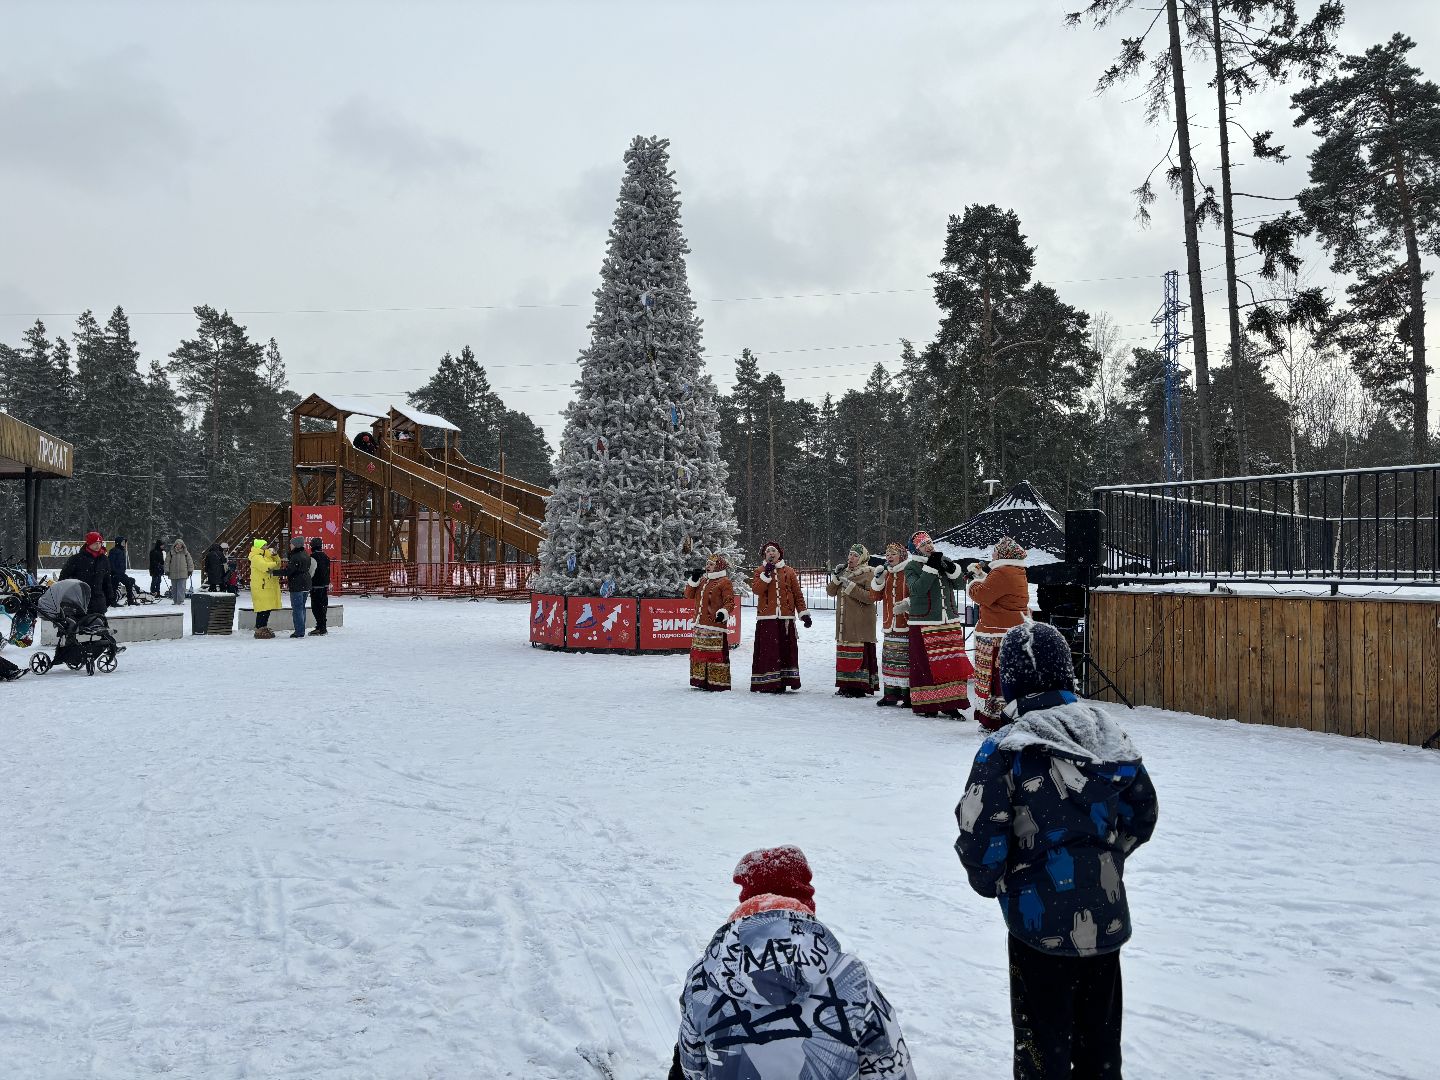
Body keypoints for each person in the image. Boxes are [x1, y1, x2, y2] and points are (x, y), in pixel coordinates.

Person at [955, 622, 1159, 1080]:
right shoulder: (1109, 735)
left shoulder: (1006, 748)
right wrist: (1109, 858)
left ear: (1009, 681)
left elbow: (980, 832)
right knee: (1100, 1048)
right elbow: (1142, 811)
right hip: (1105, 918)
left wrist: (994, 880)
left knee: (1042, 1052)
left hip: (1037, 926)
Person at [671, 845, 916, 1080]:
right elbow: (890, 1068)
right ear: (805, 907)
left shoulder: (703, 976)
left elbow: (692, 1068)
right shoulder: (851, 974)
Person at [901, 530, 973, 720]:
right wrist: (930, 568)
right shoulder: (911, 567)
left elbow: (959, 585)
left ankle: (952, 704)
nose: (929, 546)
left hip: (948, 620)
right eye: (924, 544)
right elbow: (917, 589)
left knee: (951, 664)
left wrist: (951, 568)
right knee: (926, 665)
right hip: (924, 622)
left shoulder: (942, 560)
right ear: (916, 549)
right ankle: (928, 704)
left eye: (930, 542)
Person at [968, 536, 1032, 730]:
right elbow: (997, 592)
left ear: (1003, 554)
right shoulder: (1017, 570)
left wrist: (974, 580)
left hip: (997, 632)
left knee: (995, 678)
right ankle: (1011, 714)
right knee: (1008, 675)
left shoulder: (1002, 571)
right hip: (1013, 629)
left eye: (995, 551)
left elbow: (982, 596)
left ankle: (995, 718)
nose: (992, 555)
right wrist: (984, 577)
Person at [749, 540, 810, 693]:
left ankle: (784, 680)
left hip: (786, 618)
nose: (771, 553)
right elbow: (756, 590)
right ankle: (768, 682)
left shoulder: (789, 571)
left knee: (784, 651)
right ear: (765, 555)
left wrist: (803, 613)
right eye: (768, 551)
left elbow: (797, 594)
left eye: (773, 551)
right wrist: (766, 575)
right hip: (766, 618)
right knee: (769, 651)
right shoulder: (759, 571)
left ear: (779, 554)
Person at [826, 543, 880, 697]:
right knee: (845, 653)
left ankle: (858, 687)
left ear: (862, 558)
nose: (851, 558)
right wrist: (836, 577)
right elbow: (830, 592)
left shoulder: (869, 573)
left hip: (861, 622)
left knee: (858, 653)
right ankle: (845, 684)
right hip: (844, 622)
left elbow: (871, 597)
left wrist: (851, 587)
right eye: (850, 554)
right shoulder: (844, 572)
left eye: (855, 555)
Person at [684, 554, 736, 691]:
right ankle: (700, 681)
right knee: (699, 655)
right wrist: (693, 580)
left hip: (715, 626)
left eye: (711, 564)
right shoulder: (702, 580)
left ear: (719, 566)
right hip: (699, 624)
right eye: (707, 564)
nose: (708, 566)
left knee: (714, 656)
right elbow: (688, 595)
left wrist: (722, 612)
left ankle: (716, 682)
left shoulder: (724, 582)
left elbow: (730, 602)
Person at [873, 540, 913, 708]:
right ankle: (890, 694)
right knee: (889, 662)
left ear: (901, 555)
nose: (889, 557)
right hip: (890, 625)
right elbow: (874, 596)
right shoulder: (887, 574)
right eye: (887, 554)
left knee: (905, 663)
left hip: (905, 625)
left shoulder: (909, 571)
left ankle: (907, 696)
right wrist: (878, 580)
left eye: (893, 554)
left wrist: (907, 604)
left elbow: (916, 595)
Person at [60, 532, 112, 615]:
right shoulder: (76, 559)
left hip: (98, 603)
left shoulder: (104, 560)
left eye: (99, 543)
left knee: (99, 625)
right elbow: (64, 579)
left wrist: (109, 598)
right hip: (79, 602)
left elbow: (107, 581)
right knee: (81, 626)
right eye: (95, 543)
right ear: (88, 544)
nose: (98, 546)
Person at [248, 539, 283, 639]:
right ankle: (259, 627)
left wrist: (275, 556)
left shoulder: (267, 556)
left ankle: (263, 626)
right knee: (262, 609)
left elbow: (278, 564)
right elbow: (265, 567)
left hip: (267, 586)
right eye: (264, 545)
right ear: (259, 547)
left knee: (267, 608)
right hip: (260, 587)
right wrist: (274, 564)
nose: (267, 547)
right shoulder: (256, 557)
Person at [283, 535, 314, 638]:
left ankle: (299, 631)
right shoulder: (305, 554)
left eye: (291, 544)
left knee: (297, 609)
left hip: (297, 584)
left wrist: (273, 572)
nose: (290, 545)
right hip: (306, 583)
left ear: (296, 545)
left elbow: (289, 570)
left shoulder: (296, 556)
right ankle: (301, 629)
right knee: (302, 607)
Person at [308, 537, 331, 635]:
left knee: (316, 607)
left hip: (316, 585)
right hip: (324, 585)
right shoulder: (325, 556)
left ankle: (320, 627)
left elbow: (311, 572)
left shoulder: (313, 557)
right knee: (323, 605)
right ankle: (323, 626)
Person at [107, 535, 139, 605]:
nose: (124, 544)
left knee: (129, 583)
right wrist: (114, 571)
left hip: (121, 573)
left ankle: (130, 601)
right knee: (114, 588)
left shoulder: (121, 551)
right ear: (118, 543)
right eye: (122, 542)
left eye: (124, 542)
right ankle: (112, 602)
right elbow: (111, 562)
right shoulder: (113, 551)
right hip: (115, 573)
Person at [166, 539, 195, 606]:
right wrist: (167, 570)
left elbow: (190, 562)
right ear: (175, 545)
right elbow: (167, 562)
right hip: (173, 573)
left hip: (183, 573)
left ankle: (180, 601)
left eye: (180, 544)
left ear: (182, 545)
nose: (178, 546)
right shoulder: (171, 553)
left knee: (181, 588)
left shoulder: (186, 553)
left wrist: (190, 570)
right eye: (177, 544)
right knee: (174, 588)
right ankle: (175, 601)